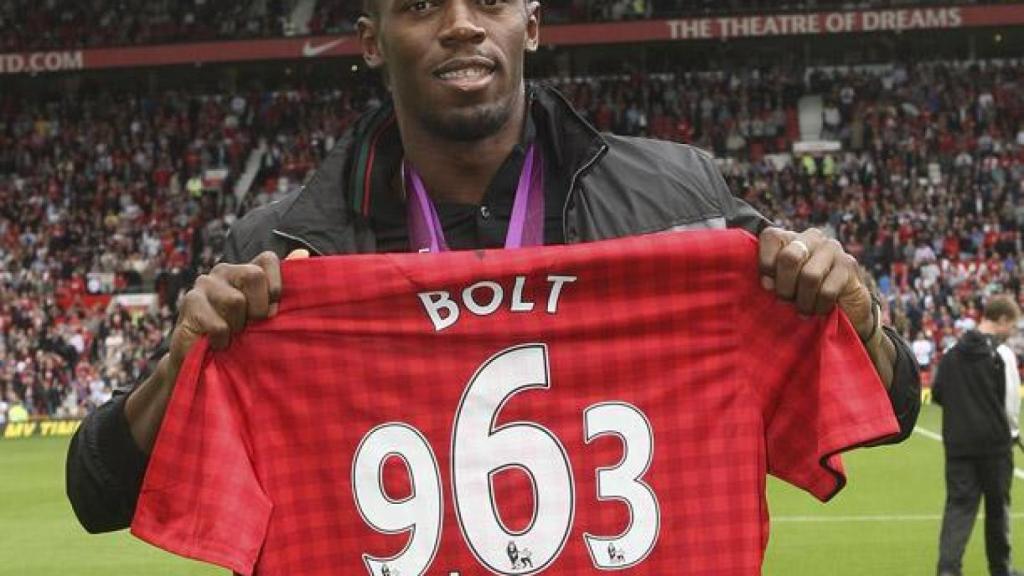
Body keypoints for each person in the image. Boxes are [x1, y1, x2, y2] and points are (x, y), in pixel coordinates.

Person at [66, 0, 921, 534]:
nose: (462, 22)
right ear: (371, 39)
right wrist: (182, 371)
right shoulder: (282, 251)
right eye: (421, 4)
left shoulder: (682, 203)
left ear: (533, 23)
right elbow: (98, 493)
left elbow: (885, 406)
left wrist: (859, 313)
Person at [933, 295, 1022, 576]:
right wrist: (1014, 433)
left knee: (959, 508)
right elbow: (1010, 403)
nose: (1012, 332)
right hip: (995, 446)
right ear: (1003, 320)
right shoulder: (1002, 354)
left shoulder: (951, 352)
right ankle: (1000, 568)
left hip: (959, 444)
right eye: (1013, 325)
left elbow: (938, 394)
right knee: (998, 510)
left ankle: (948, 570)